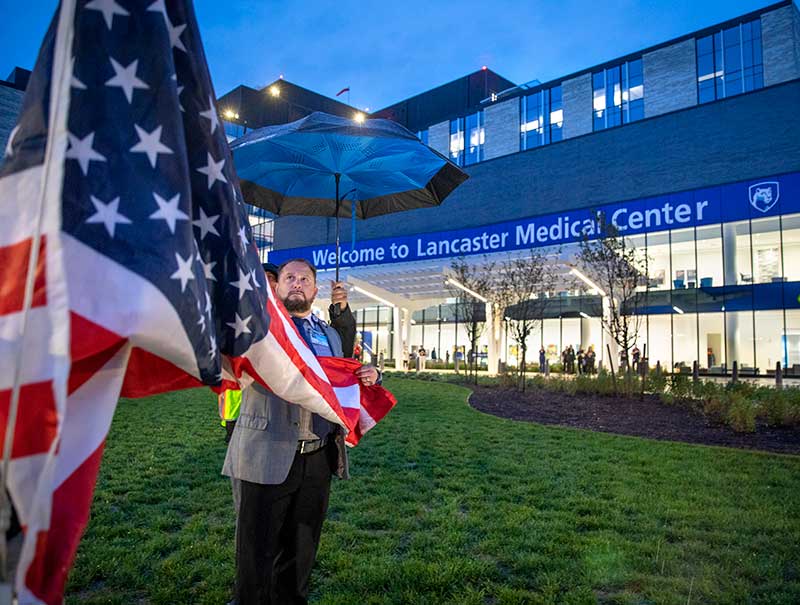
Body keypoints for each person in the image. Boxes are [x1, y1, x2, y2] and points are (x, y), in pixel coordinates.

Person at [223, 259, 380, 605]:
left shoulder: (331, 337)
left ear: (315, 289)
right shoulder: (259, 329)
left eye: (305, 278)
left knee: (301, 551)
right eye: (290, 277)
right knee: (255, 554)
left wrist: (369, 375)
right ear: (277, 287)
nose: (297, 283)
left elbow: (342, 377)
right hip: (265, 452)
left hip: (317, 459)